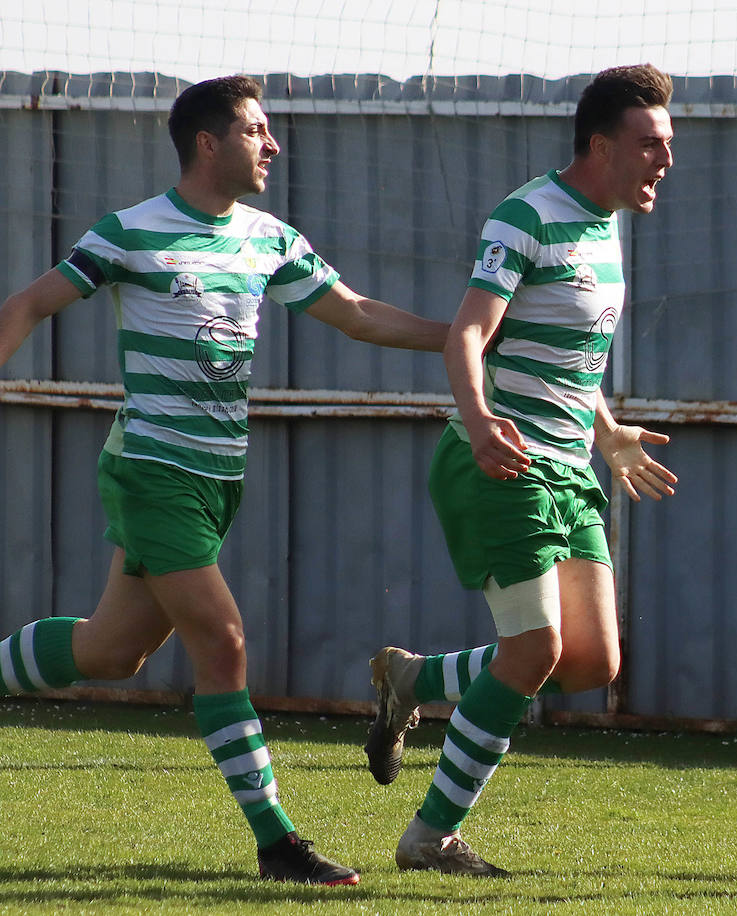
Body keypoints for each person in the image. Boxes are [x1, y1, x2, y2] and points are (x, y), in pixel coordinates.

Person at [0, 75, 451, 886]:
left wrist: (466, 339)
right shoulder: (130, 232)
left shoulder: (267, 238)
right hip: (152, 472)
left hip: (215, 480)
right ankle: (279, 844)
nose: (272, 144)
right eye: (256, 130)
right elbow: (28, 305)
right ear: (208, 143)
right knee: (225, 643)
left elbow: (356, 313)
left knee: (111, 652)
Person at [362, 63, 678, 877]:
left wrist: (607, 434)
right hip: (499, 460)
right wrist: (477, 422)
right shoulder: (525, 216)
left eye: (669, 145)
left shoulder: (606, 226)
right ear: (601, 145)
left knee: (591, 664)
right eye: (650, 144)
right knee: (534, 650)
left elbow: (570, 360)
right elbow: (469, 334)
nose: (663, 160)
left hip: (571, 469)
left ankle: (414, 678)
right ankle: (430, 837)